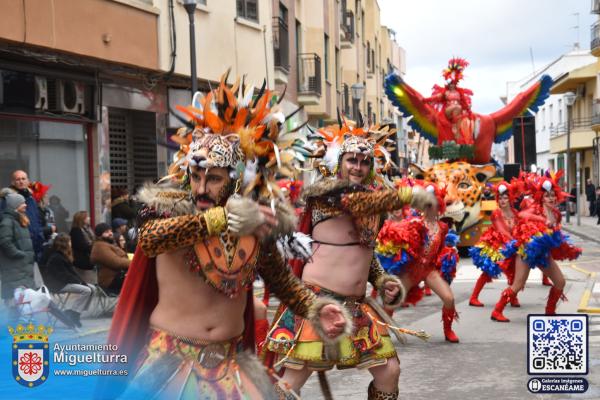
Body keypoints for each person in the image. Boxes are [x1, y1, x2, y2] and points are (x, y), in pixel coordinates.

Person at [95, 77, 351, 400]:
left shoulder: (253, 224)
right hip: (169, 362)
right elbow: (151, 240)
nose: (201, 188)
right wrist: (219, 219)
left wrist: (316, 308)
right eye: (196, 177)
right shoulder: (166, 211)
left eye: (213, 178)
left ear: (234, 181)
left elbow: (281, 281)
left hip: (230, 365)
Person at [264, 121, 434, 400]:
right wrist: (407, 195)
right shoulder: (325, 195)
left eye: (365, 162)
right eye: (351, 160)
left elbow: (365, 251)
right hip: (317, 301)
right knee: (290, 382)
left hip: (357, 307)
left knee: (389, 372)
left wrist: (380, 279)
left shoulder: (374, 202)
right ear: (338, 161)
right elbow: (351, 203)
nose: (358, 166)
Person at [375, 181, 460, 343]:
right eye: (427, 203)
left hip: (428, 271)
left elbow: (440, 250)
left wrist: (446, 262)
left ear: (439, 205)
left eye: (432, 203)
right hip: (410, 270)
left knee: (449, 298)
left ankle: (448, 330)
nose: (429, 207)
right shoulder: (413, 222)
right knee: (392, 301)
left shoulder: (442, 227)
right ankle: (381, 333)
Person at [490, 171, 581, 322]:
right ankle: (497, 310)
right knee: (518, 284)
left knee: (560, 282)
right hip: (527, 251)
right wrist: (542, 220)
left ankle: (549, 312)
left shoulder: (556, 214)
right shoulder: (536, 208)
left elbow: (555, 235)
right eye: (547, 195)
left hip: (543, 254)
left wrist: (567, 248)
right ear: (541, 197)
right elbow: (522, 216)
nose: (550, 198)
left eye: (552, 195)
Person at [469, 181, 521, 308]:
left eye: (505, 197)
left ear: (510, 199)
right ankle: (473, 297)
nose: (503, 200)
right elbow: (502, 231)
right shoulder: (496, 213)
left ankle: (513, 297)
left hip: (512, 246)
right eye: (500, 198)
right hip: (497, 245)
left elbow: (519, 229)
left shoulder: (515, 213)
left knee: (514, 272)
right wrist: (515, 243)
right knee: (488, 271)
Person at [41, 233, 93, 328]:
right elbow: (64, 275)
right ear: (65, 244)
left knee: (92, 288)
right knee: (87, 290)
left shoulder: (63, 255)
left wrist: (82, 282)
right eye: (69, 241)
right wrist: (80, 282)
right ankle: (74, 313)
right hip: (57, 285)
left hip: (64, 282)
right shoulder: (56, 257)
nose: (71, 243)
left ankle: (76, 312)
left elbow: (72, 273)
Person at [0, 193, 35, 303]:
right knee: (14, 302)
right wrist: (18, 254)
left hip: (22, 268)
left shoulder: (19, 220)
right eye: (22, 203)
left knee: (23, 303)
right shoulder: (7, 222)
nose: (25, 205)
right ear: (15, 205)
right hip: (14, 267)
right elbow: (5, 242)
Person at [6, 171, 46, 262]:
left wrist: (40, 237)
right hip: (20, 249)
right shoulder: (8, 199)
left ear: (28, 181)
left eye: (23, 179)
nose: (21, 181)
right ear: (13, 182)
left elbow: (37, 221)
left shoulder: (31, 199)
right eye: (18, 179)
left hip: (35, 248)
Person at [90, 223, 130, 295]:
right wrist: (134, 263)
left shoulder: (108, 244)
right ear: (99, 235)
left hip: (117, 276)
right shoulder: (100, 246)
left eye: (110, 231)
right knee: (138, 280)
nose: (110, 233)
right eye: (106, 232)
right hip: (110, 280)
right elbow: (117, 262)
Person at [70, 211, 96, 282]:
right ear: (82, 219)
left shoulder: (87, 229)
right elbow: (82, 246)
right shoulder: (76, 231)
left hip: (90, 259)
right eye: (87, 217)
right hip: (82, 260)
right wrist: (93, 247)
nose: (89, 218)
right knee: (87, 281)